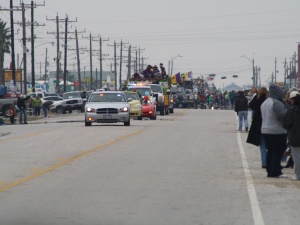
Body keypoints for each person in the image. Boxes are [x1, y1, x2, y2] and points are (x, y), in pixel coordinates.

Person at [261, 83, 287, 178]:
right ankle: (276, 171)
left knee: (270, 151)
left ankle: (270, 170)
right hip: (277, 131)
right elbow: (281, 116)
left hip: (265, 130)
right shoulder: (277, 103)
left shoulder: (265, 102)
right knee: (278, 151)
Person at [246, 87, 268, 168]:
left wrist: (255, 97)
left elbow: (251, 105)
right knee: (270, 145)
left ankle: (264, 162)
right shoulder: (268, 101)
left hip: (259, 124)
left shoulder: (257, 100)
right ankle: (270, 161)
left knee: (262, 145)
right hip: (268, 124)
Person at [282, 91, 300, 180]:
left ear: (293, 100)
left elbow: (285, 124)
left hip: (295, 137)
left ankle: (298, 175)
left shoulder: (291, 111)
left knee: (297, 157)